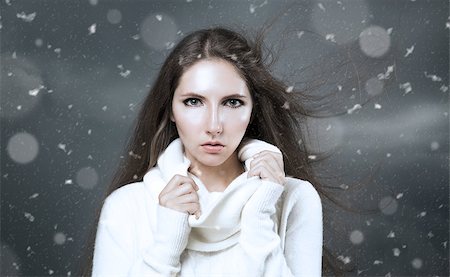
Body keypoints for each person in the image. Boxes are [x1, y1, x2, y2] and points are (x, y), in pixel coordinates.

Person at [89, 26, 325, 276]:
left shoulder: (295, 198)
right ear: (170, 109)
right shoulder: (126, 207)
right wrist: (165, 246)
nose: (214, 126)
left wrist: (259, 217)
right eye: (194, 101)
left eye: (232, 102)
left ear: (253, 110)